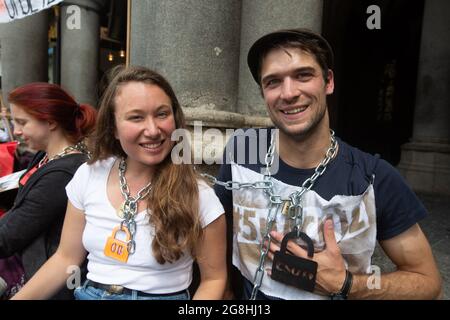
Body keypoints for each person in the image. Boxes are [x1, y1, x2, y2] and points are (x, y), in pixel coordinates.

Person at [213, 28, 442, 300]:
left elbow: (427, 282)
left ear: (329, 81)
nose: (288, 93)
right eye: (273, 82)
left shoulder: (373, 178)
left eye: (303, 75)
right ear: (263, 93)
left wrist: (344, 283)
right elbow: (219, 233)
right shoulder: (242, 151)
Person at [12, 65, 227, 300]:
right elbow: (66, 258)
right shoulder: (89, 174)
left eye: (162, 114)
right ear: (113, 128)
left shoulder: (199, 194)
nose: (153, 130)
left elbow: (214, 279)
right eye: (136, 117)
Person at [0, 82, 97, 299]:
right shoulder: (47, 157)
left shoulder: (63, 173)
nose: (16, 131)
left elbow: (9, 237)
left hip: (42, 281)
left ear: (50, 122)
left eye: (22, 123)